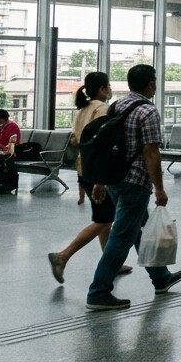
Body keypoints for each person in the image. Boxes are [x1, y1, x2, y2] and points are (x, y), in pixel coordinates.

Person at [85, 64, 181, 311]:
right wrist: (159, 189)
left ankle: (160, 278)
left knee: (139, 229)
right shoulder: (148, 111)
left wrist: (100, 180)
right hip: (135, 183)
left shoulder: (116, 106)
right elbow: (151, 152)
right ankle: (98, 291)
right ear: (151, 84)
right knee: (121, 237)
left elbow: (106, 147)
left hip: (115, 179)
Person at [49, 73, 132, 284]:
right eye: (109, 86)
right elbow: (104, 145)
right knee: (103, 220)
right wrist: (101, 180)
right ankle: (63, 255)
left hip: (83, 168)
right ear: (103, 89)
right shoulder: (102, 110)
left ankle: (111, 261)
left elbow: (76, 139)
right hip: (99, 172)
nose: (111, 89)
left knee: (105, 217)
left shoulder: (81, 110)